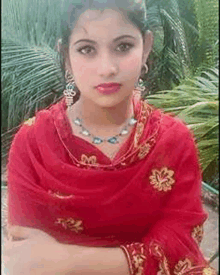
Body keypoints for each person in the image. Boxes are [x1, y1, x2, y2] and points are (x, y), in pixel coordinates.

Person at [3, 0, 217, 274]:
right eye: (87, 49)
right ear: (66, 55)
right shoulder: (34, 144)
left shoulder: (172, 141)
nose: (107, 68)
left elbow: (179, 245)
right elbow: (27, 258)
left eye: (123, 46)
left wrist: (67, 260)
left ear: (146, 47)